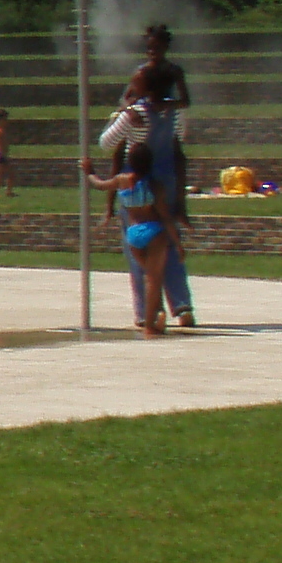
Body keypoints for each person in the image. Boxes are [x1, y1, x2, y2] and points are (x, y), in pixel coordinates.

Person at [124, 25, 196, 329]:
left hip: (157, 169)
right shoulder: (139, 77)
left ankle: (169, 308)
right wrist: (134, 109)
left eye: (156, 47)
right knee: (152, 240)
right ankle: (158, 309)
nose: (152, 52)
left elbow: (185, 102)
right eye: (148, 47)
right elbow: (125, 101)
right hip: (148, 167)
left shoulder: (172, 75)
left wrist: (165, 105)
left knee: (149, 240)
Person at [85, 137, 180, 336]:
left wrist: (89, 171)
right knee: (153, 280)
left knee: (149, 277)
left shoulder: (121, 180)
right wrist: (178, 244)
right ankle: (150, 324)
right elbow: (166, 217)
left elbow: (100, 185)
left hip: (133, 233)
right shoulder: (154, 185)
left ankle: (156, 313)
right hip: (154, 231)